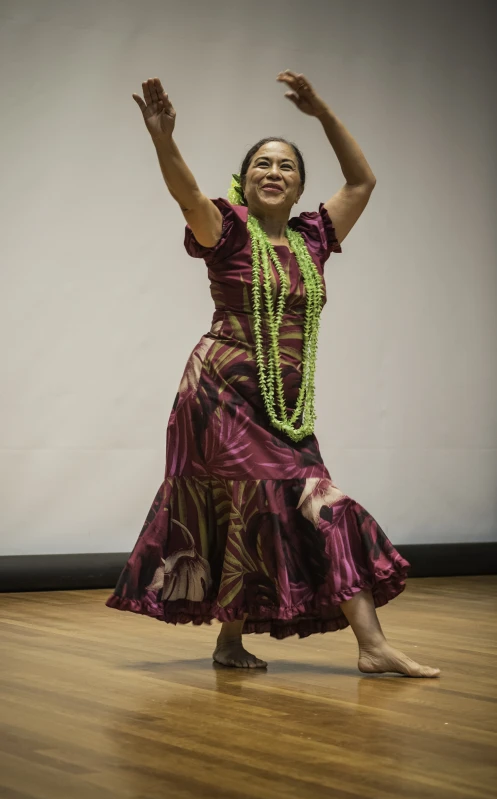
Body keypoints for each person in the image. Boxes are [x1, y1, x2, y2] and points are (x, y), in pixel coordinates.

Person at [106, 71, 440, 678]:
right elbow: (187, 198)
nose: (273, 172)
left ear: (299, 186)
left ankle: (250, 645)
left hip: (285, 407)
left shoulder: (314, 238)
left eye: (286, 166)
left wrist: (322, 113)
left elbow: (363, 180)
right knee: (283, 505)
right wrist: (163, 140)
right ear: (246, 178)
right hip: (218, 397)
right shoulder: (228, 232)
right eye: (262, 163)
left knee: (272, 508)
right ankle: (366, 643)